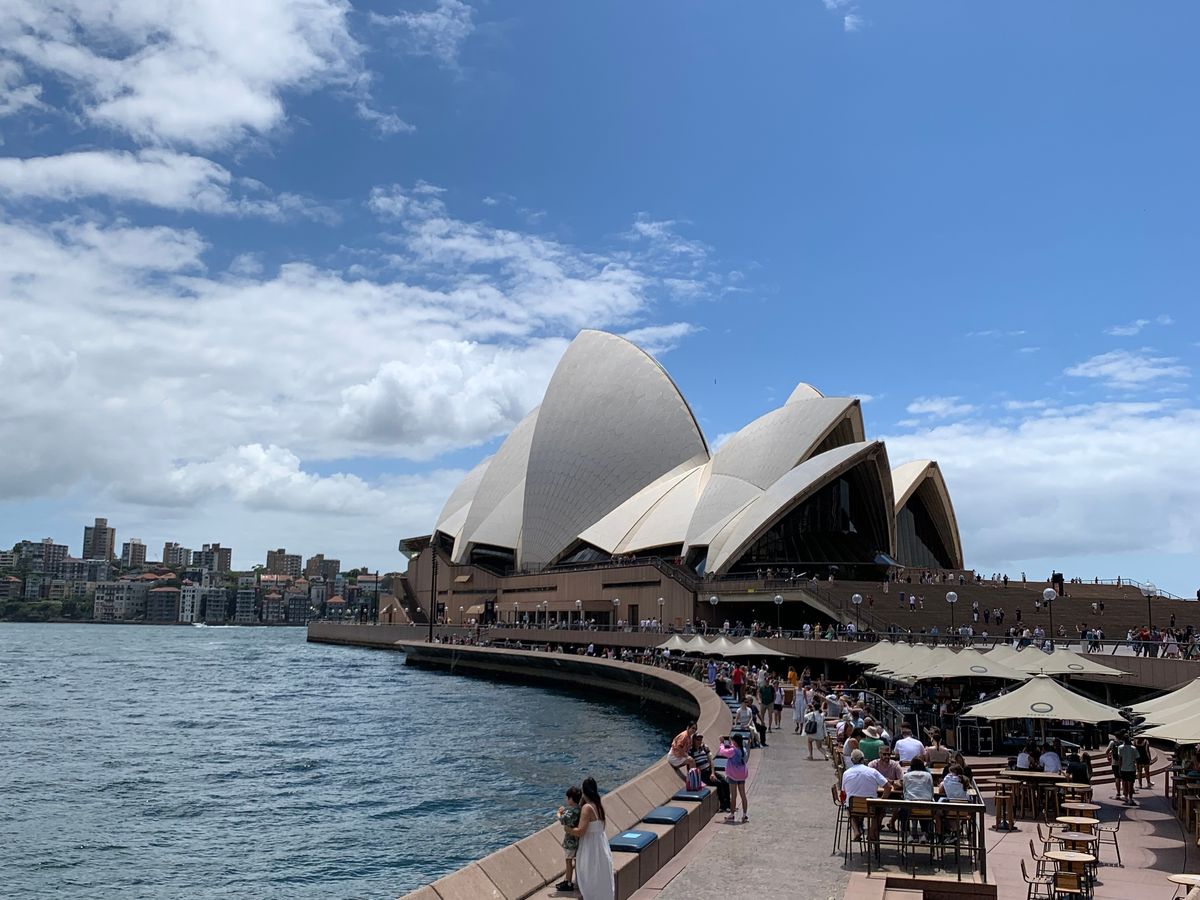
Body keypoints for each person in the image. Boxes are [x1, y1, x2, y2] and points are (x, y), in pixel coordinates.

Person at [568, 777, 614, 900]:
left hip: (590, 847)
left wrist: (568, 829)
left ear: (584, 791)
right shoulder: (599, 805)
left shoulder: (587, 808)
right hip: (601, 845)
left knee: (590, 877)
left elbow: (581, 831)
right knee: (600, 877)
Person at [841, 748, 890, 839]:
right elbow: (888, 787)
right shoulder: (872, 771)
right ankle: (871, 832)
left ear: (852, 760)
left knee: (850, 811)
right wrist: (882, 800)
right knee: (879, 811)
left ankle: (856, 831)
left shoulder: (846, 773)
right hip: (870, 805)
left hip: (854, 806)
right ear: (863, 759)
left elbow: (844, 791)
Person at [690, 733, 731, 813]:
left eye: (700, 739)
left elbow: (711, 761)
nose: (699, 741)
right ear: (693, 740)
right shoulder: (691, 751)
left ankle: (728, 804)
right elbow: (693, 767)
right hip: (702, 775)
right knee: (718, 783)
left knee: (725, 782)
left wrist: (712, 773)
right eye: (697, 739)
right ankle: (723, 805)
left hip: (709, 771)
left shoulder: (704, 748)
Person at [717, 734, 750, 823]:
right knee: (743, 795)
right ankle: (744, 815)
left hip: (733, 775)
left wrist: (722, 743)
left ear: (735, 741)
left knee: (734, 796)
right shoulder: (743, 750)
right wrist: (730, 744)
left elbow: (722, 752)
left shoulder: (733, 751)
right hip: (742, 775)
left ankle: (732, 814)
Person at [556, 786, 582, 893]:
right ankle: (570, 880)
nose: (567, 800)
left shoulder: (570, 811)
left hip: (570, 841)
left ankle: (568, 882)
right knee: (574, 860)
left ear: (571, 798)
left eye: (568, 798)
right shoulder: (580, 809)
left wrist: (559, 813)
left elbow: (563, 820)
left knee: (568, 861)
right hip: (577, 840)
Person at [1116, 734, 1139, 805]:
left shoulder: (1120, 747)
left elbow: (1120, 759)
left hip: (1123, 768)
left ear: (1123, 740)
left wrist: (1119, 768)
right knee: (1130, 784)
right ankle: (1130, 799)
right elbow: (1137, 758)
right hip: (1131, 768)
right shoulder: (1133, 748)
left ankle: (1126, 797)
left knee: (1124, 783)